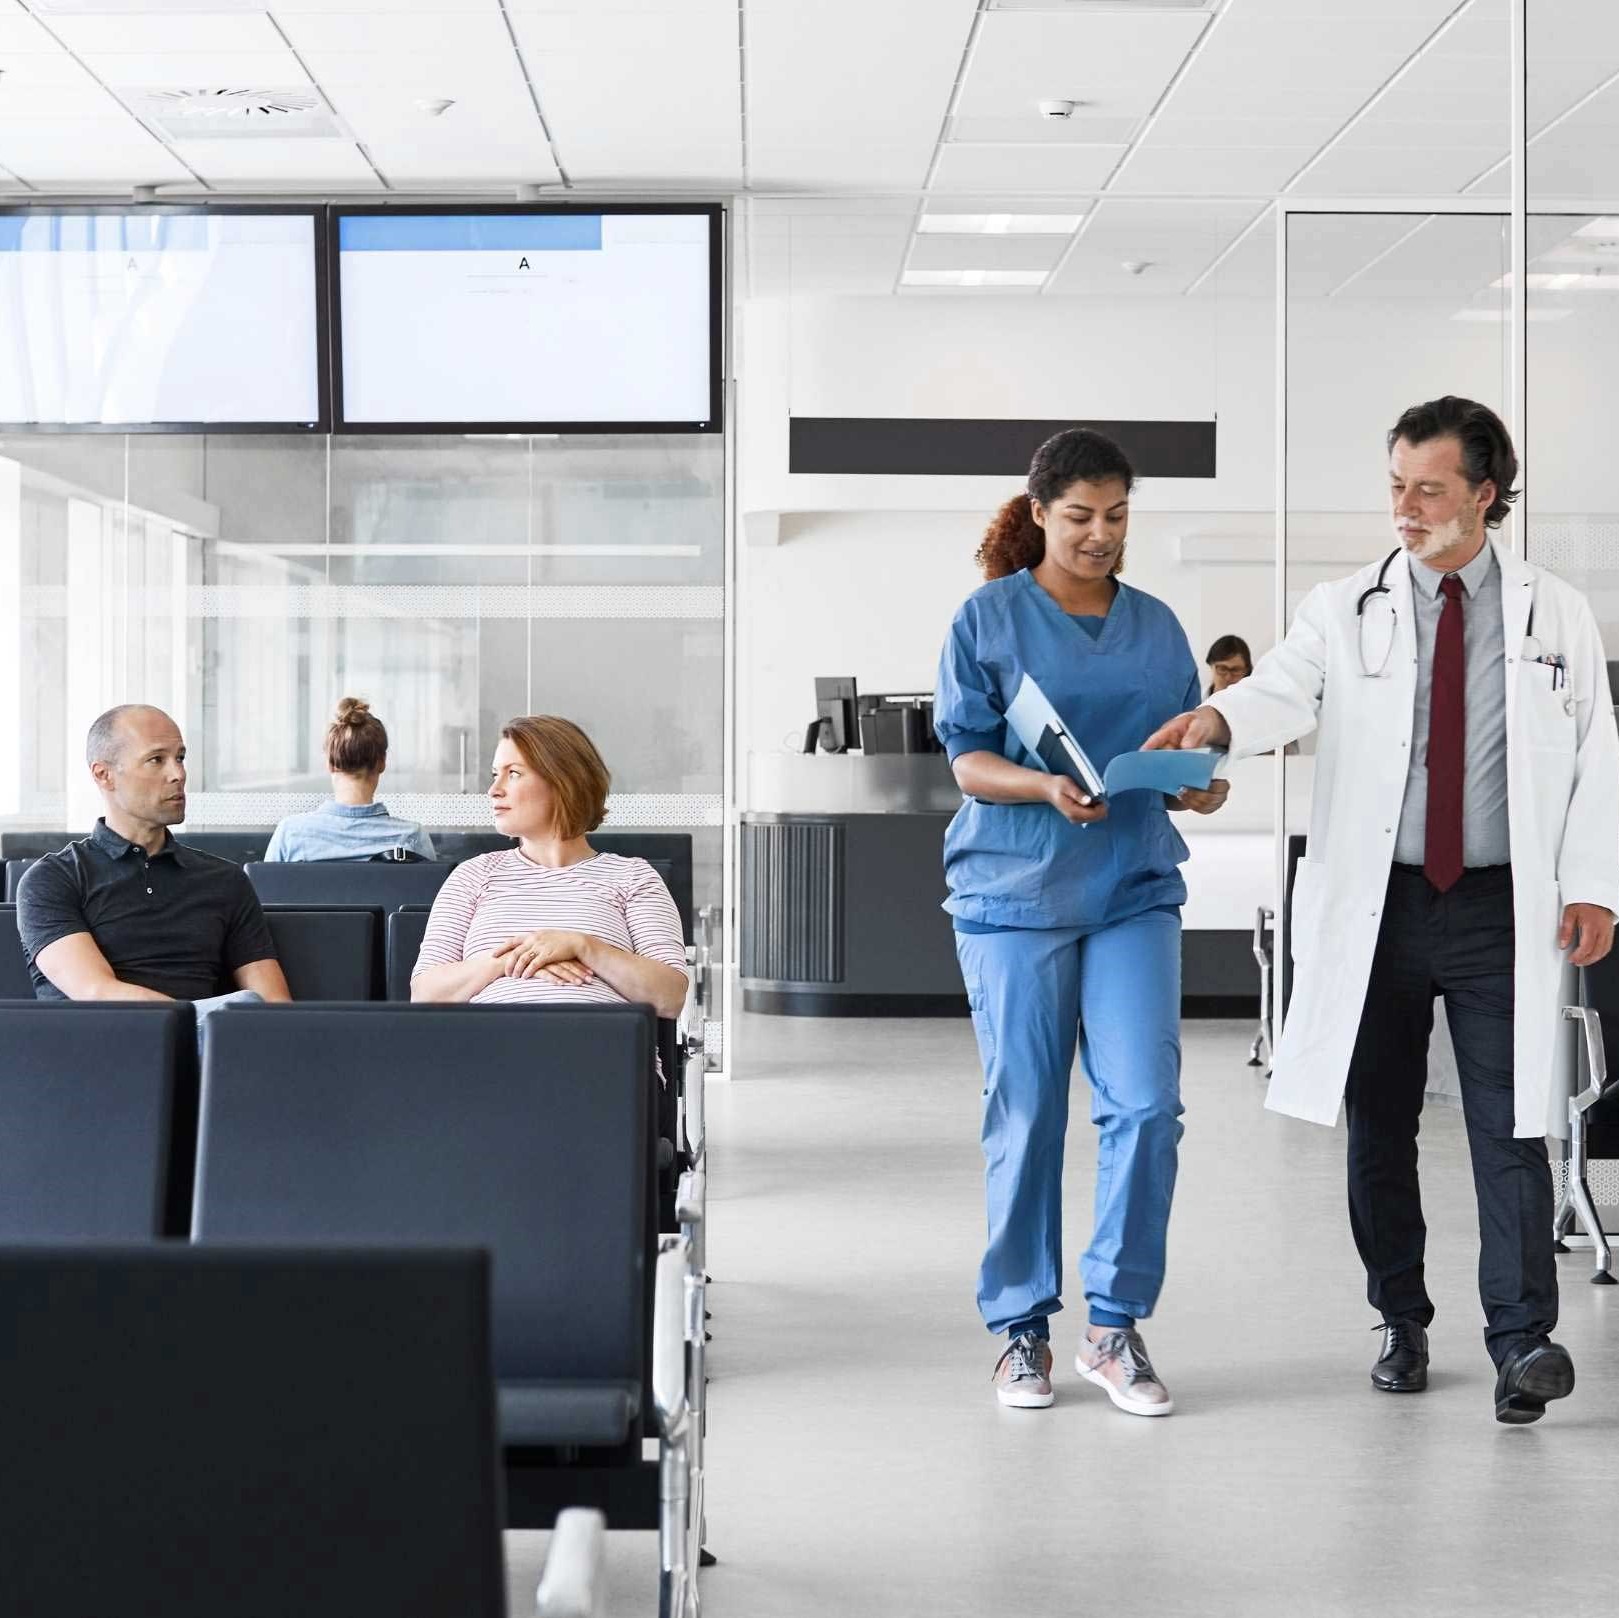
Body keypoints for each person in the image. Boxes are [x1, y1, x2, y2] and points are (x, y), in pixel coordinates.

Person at [1146, 395, 1618, 1425]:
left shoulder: (1554, 613)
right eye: (1394, 485)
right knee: (1378, 1124)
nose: (1403, 507)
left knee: (1511, 1126)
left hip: (1502, 907)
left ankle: (1520, 1340)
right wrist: (1219, 716)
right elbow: (1279, 687)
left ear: (1483, 496)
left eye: (1428, 489)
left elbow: (1594, 755)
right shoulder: (1342, 605)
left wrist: (1590, 882)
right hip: (1382, 907)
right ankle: (1399, 1318)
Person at [935, 427, 1229, 1415]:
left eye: (1115, 515)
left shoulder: (1154, 624)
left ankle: (1114, 1326)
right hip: (1011, 897)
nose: (1099, 535)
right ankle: (1020, 1331)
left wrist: (1196, 789)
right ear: (1036, 514)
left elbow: (1188, 743)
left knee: (1144, 1104)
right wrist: (1040, 785)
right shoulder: (986, 617)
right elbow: (966, 759)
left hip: (1132, 887)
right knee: (1026, 1114)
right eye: (1078, 517)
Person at [411, 715, 688, 1027]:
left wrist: (582, 947)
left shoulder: (633, 878)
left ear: (562, 782)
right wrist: (509, 961)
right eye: (494, 774)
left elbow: (670, 996)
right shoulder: (472, 877)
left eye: (513, 774)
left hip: (602, 1059)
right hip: (488, 1059)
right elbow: (424, 993)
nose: (494, 790)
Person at [17, 705, 290, 1019]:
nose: (178, 774)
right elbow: (95, 993)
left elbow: (273, 1006)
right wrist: (202, 1021)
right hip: (95, 1052)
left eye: (180, 757)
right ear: (104, 775)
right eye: (156, 760)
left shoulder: (225, 881)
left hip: (203, 1059)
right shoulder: (54, 879)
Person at [264, 697, 436, 862]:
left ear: (330, 763)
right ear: (381, 763)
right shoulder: (412, 838)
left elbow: (265, 891)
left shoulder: (291, 834)